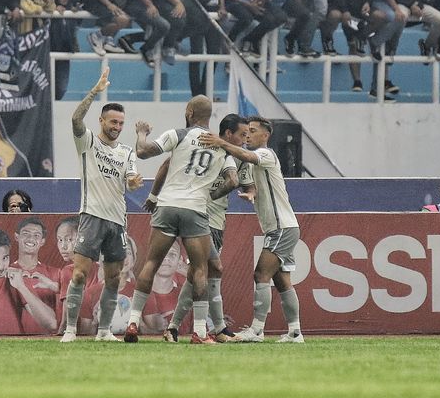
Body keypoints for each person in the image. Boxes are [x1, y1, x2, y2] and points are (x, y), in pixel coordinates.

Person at [123, 94, 239, 344]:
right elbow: (233, 180)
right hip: (195, 209)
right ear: (209, 117)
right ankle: (199, 332)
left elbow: (142, 152)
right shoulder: (220, 145)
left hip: (167, 205)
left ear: (189, 112)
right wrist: (211, 195)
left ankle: (132, 322)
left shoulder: (179, 134)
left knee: (151, 263)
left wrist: (141, 132)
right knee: (199, 269)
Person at [146, 113, 254, 343]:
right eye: (242, 135)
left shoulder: (230, 154)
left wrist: (251, 192)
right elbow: (167, 164)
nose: (245, 139)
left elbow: (245, 181)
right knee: (205, 272)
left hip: (212, 220)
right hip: (201, 219)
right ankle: (210, 328)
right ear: (228, 133)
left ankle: (181, 328)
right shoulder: (212, 148)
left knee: (207, 272)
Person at [200, 116, 304, 344]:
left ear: (265, 136)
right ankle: (295, 332)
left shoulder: (266, 154)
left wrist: (221, 142)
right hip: (283, 228)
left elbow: (246, 155)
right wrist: (252, 192)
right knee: (282, 280)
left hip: (281, 228)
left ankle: (257, 330)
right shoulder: (254, 162)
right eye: (246, 131)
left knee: (261, 274)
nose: (248, 135)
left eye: (253, 131)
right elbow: (252, 180)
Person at [61, 67, 143, 343]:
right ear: (101, 120)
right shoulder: (88, 141)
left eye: (121, 123)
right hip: (91, 216)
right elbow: (75, 118)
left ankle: (104, 331)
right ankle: (70, 330)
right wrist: (95, 91)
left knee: (114, 278)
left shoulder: (127, 152)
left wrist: (134, 182)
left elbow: (131, 179)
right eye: (113, 122)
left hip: (117, 221)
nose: (117, 127)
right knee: (80, 275)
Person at [79, 236, 165, 335]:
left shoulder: (143, 291)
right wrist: (95, 322)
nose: (123, 257)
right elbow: (84, 335)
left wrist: (140, 322)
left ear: (134, 258)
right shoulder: (90, 294)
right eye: (117, 251)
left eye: (128, 252)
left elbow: (154, 335)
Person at [328, 0, 386, 91]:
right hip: (344, 11)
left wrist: (367, 2)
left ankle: (362, 36)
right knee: (352, 42)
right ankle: (357, 81)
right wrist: (345, 10)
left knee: (381, 17)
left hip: (361, 11)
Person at [10, 216, 62, 334]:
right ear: (16, 237)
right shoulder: (6, 273)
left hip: (49, 340)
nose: (31, 239)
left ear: (42, 241)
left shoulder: (55, 274)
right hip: (14, 341)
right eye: (26, 233)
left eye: (36, 235)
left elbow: (59, 319)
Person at [119, 0, 170, 67]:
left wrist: (152, 3)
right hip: (129, 1)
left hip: (142, 2)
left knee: (160, 29)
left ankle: (129, 39)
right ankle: (146, 49)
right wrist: (150, 5)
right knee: (164, 26)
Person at [368, 0, 406, 102]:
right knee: (394, 17)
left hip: (391, 2)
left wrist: (396, 4)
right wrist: (395, 8)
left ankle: (391, 48)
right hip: (377, 2)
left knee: (402, 19)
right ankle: (375, 41)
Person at [146, 0, 188, 65]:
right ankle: (168, 46)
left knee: (198, 18)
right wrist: (178, 3)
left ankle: (176, 39)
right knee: (178, 18)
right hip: (160, 0)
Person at [49, 0, 78, 100]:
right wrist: (53, 10)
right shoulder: (49, 10)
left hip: (65, 54)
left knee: (61, 88)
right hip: (49, 52)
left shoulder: (71, 11)